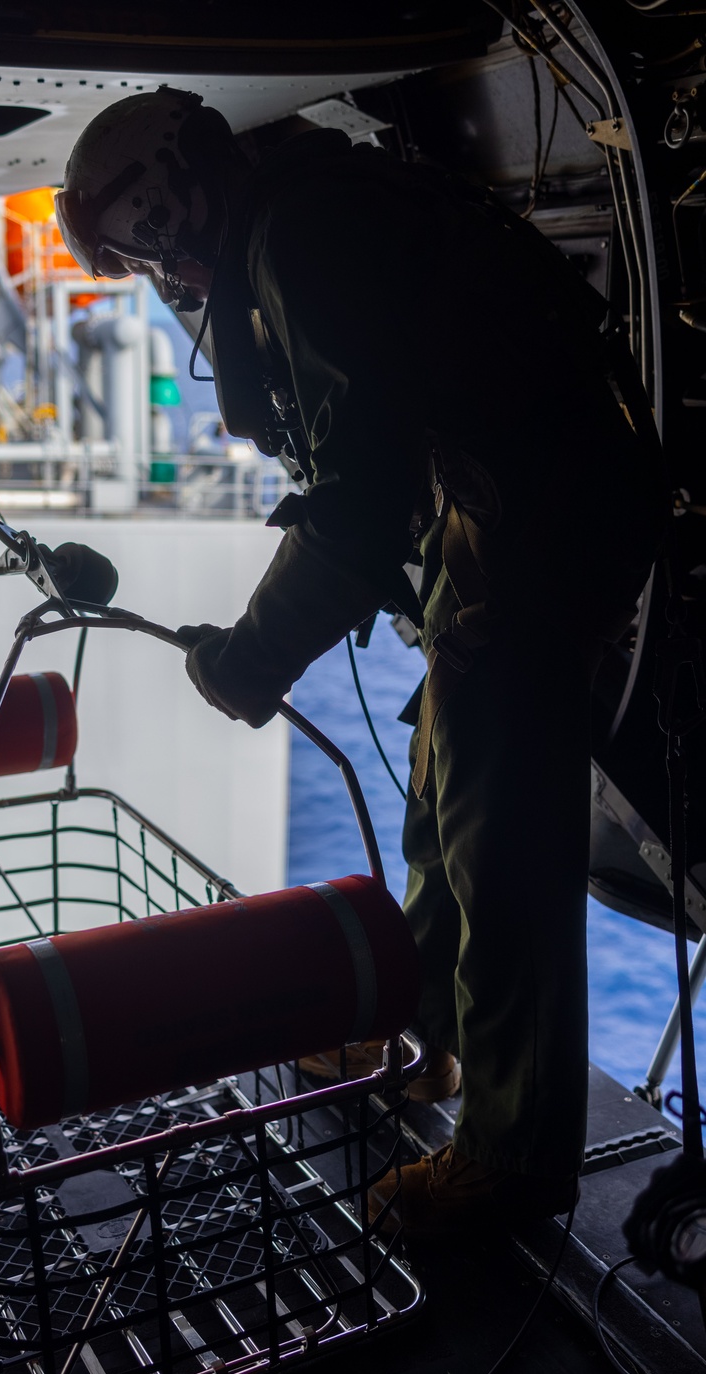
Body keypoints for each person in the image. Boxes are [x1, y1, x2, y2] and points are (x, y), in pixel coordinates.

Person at [55, 88, 666, 1237]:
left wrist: (252, 656)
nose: (161, 278)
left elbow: (359, 489)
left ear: (167, 202)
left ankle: (512, 1160)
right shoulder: (308, 208)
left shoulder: (300, 236)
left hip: (532, 531)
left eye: (143, 250)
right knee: (443, 799)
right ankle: (429, 1031)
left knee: (504, 853)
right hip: (511, 516)